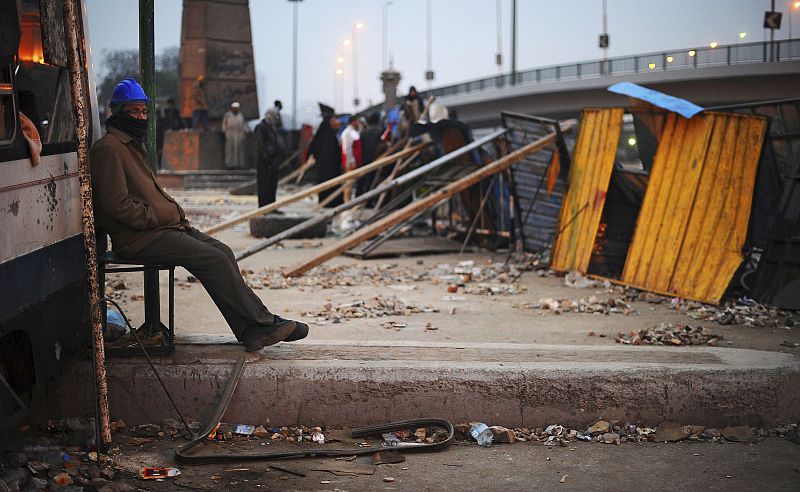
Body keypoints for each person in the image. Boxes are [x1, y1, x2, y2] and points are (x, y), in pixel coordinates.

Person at [89, 78, 307, 352]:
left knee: (223, 251)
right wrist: (154, 216)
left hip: (163, 228)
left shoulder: (132, 145)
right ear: (117, 113)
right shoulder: (109, 149)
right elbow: (115, 205)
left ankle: (251, 329)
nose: (141, 117)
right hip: (139, 237)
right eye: (134, 112)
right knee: (212, 258)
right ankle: (263, 324)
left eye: (144, 111)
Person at [307, 103, 342, 208]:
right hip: (329, 167)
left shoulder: (324, 132)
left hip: (324, 167)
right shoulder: (328, 134)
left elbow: (313, 148)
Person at [253, 108, 285, 207]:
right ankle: (264, 206)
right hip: (265, 162)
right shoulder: (261, 127)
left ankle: (271, 206)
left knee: (271, 185)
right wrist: (266, 157)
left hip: (273, 161)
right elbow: (260, 144)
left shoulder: (273, 127)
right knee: (264, 185)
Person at [356, 112, 387, 198]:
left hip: (365, 158)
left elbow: (361, 146)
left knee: (364, 179)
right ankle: (370, 199)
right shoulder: (381, 130)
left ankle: (360, 198)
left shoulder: (363, 132)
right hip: (377, 158)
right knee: (374, 178)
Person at [339, 116, 362, 202]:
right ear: (353, 122)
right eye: (357, 121)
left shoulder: (353, 132)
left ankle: (348, 201)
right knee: (349, 183)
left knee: (351, 184)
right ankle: (346, 202)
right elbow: (347, 149)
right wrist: (351, 161)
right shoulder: (347, 133)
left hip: (353, 162)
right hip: (350, 163)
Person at [222, 102, 248, 168]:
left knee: (239, 150)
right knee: (230, 150)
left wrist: (244, 133)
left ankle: (239, 164)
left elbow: (243, 125)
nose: (235, 109)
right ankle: (229, 165)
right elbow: (224, 124)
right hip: (230, 134)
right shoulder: (228, 115)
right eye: (234, 108)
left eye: (236, 108)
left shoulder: (240, 115)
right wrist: (225, 132)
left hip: (239, 135)